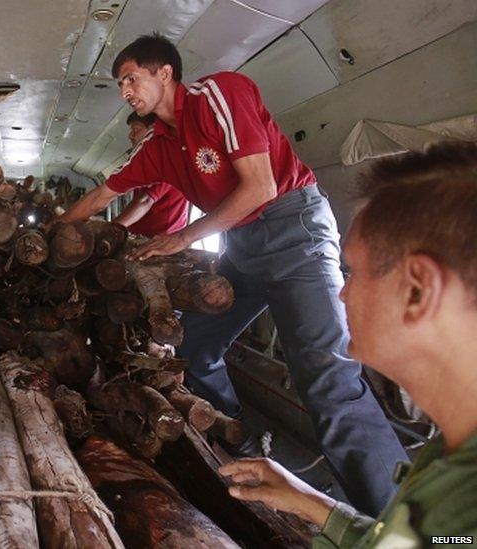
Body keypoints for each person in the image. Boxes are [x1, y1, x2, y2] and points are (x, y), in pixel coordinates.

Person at [57, 33, 407, 515]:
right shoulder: (157, 146)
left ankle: (404, 528)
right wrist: (52, 234)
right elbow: (100, 196)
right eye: (120, 84)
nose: (125, 91)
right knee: (194, 348)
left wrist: (184, 236)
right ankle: (242, 439)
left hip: (293, 234)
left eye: (131, 78)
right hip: (242, 247)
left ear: (165, 73)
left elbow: (260, 186)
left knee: (328, 383)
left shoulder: (218, 95)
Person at [220, 141, 477, 548]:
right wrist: (314, 504)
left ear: (419, 291)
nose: (342, 295)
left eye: (353, 271)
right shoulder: (451, 447)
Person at [112, 111, 189, 237]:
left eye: (136, 129)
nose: (131, 135)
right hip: (143, 236)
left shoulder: (167, 160)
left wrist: (110, 229)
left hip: (161, 240)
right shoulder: (147, 161)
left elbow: (145, 200)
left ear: (153, 130)